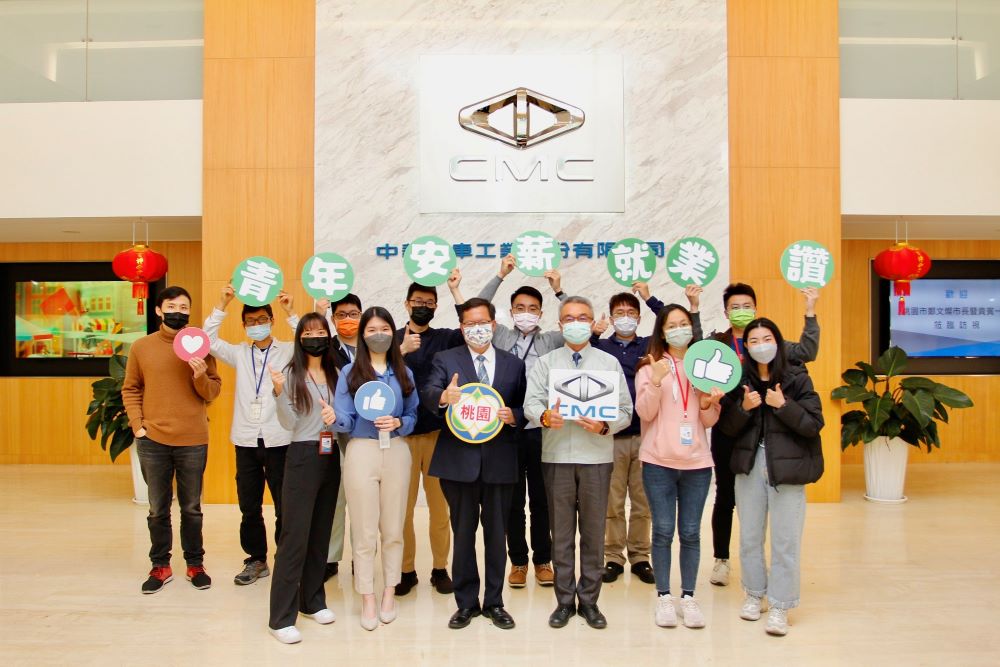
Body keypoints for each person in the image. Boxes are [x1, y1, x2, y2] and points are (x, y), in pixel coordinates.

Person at [524, 296, 632, 630]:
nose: (576, 323)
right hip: (557, 456)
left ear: (592, 322)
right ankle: (563, 601)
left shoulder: (608, 363)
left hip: (596, 457)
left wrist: (605, 425)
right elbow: (531, 403)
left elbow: (625, 410)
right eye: (569, 318)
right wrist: (544, 416)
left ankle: (589, 601)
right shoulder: (546, 363)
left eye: (583, 317)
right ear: (560, 325)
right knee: (562, 533)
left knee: (594, 532)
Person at [703, 284, 820, 586]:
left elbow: (807, 351)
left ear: (756, 309)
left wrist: (810, 311)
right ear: (725, 311)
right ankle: (722, 560)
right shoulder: (718, 345)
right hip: (731, 425)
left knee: (771, 510)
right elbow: (696, 358)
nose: (741, 311)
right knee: (726, 496)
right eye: (735, 307)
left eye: (747, 306)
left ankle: (776, 584)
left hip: (767, 435)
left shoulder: (776, 348)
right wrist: (693, 309)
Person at [421, 298, 527, 630]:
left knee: (497, 536)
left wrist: (514, 416)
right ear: (462, 327)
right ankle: (466, 603)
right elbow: (429, 391)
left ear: (493, 325)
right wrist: (443, 396)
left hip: (500, 461)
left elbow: (525, 407)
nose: (476, 329)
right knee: (463, 534)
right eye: (469, 324)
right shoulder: (446, 358)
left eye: (482, 323)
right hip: (458, 462)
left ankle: (494, 602)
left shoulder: (513, 364)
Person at [717, 318, 824, 637]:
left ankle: (780, 604)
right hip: (749, 466)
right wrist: (744, 408)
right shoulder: (739, 380)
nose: (761, 345)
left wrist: (784, 405)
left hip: (786, 468)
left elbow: (813, 424)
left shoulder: (796, 377)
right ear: (746, 347)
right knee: (750, 537)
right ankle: (754, 594)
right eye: (754, 341)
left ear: (778, 342)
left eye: (767, 339)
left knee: (785, 540)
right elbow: (727, 429)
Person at [590, 284, 702, 586]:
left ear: (640, 318)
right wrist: (594, 334)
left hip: (646, 435)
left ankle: (640, 556)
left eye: (631, 313)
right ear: (611, 317)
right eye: (619, 313)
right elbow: (584, 358)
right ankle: (613, 557)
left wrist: (649, 298)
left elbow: (671, 320)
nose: (625, 317)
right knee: (612, 503)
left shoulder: (649, 347)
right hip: (611, 435)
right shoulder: (602, 347)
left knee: (643, 502)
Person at [122, 286, 222, 594]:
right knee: (157, 508)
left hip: (193, 439)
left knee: (191, 507)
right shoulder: (142, 347)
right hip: (153, 440)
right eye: (172, 306)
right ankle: (160, 565)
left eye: (184, 307)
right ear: (158, 310)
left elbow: (212, 392)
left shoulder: (201, 345)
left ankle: (195, 564)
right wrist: (138, 426)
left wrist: (199, 374)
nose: (178, 312)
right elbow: (131, 388)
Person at [475, 254, 566, 588]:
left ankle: (543, 560)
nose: (526, 313)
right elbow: (477, 307)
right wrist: (500, 276)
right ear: (511, 312)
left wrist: (559, 291)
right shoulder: (500, 337)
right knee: (512, 501)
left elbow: (575, 318)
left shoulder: (551, 340)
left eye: (532, 308)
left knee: (542, 500)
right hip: (508, 427)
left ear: (540, 314)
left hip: (541, 429)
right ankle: (518, 562)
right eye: (520, 308)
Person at [633, 304, 723, 629]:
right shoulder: (649, 367)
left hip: (697, 463)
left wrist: (710, 403)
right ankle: (664, 596)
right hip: (658, 462)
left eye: (684, 323)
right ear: (662, 331)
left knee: (691, 532)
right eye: (672, 325)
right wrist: (656, 382)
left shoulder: (703, 368)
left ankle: (688, 596)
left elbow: (708, 421)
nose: (678, 329)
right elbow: (644, 413)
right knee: (662, 530)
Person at [203, 284, 299, 586]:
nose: (257, 325)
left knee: (285, 505)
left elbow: (311, 341)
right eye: (251, 322)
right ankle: (256, 559)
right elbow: (207, 340)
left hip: (279, 438)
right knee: (249, 505)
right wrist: (222, 303)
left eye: (262, 320)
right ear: (244, 326)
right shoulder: (239, 353)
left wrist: (290, 312)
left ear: (271, 320)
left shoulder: (287, 350)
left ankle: (286, 558)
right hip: (245, 440)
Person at [334, 307, 420, 631]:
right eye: (371, 330)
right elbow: (345, 419)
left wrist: (399, 423)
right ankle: (367, 594)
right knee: (364, 529)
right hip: (362, 450)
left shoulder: (404, 373)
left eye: (384, 328)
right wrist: (333, 418)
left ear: (392, 333)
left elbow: (413, 415)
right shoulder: (349, 373)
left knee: (394, 528)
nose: (378, 335)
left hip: (396, 450)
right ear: (362, 335)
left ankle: (389, 592)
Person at [267, 313, 342, 644]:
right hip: (302, 454)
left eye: (320, 332)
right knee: (294, 536)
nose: (315, 337)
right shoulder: (290, 373)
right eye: (308, 333)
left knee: (321, 532)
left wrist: (337, 416)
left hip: (331, 454)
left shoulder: (337, 372)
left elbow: (346, 415)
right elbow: (288, 422)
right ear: (299, 339)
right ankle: (280, 617)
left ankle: (312, 601)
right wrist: (279, 392)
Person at [394, 276, 464, 595]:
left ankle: (439, 568)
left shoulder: (445, 338)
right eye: (417, 302)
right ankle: (406, 570)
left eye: (429, 303)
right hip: (402, 436)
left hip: (438, 434)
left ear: (436, 306)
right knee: (402, 509)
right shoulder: (392, 339)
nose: (423, 307)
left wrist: (455, 290)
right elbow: (375, 371)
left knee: (439, 509)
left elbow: (468, 327)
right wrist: (400, 350)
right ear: (406, 304)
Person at [320, 293, 363, 581]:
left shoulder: (374, 346)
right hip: (335, 430)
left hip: (367, 431)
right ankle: (330, 558)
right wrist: (318, 313)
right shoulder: (326, 348)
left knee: (363, 500)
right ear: (333, 319)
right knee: (334, 499)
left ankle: (361, 558)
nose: (348, 320)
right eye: (341, 315)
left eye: (353, 314)